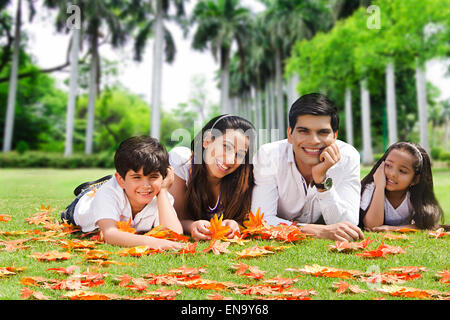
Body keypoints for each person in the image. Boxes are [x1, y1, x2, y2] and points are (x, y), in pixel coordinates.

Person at [251, 93, 364, 241]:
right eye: (304, 131)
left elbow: (347, 225)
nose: (313, 141)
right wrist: (315, 231)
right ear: (290, 134)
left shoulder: (348, 157)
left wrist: (322, 181)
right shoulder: (269, 156)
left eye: (323, 132)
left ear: (335, 136)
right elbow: (261, 220)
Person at [61, 136, 184, 250]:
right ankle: (90, 188)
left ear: (165, 176)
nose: (146, 185)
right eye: (137, 177)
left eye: (153, 177)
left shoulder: (163, 197)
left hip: (120, 186)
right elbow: (110, 234)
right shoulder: (108, 193)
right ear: (121, 180)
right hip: (82, 206)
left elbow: (175, 234)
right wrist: (153, 242)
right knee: (94, 193)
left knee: (116, 186)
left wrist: (162, 190)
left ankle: (112, 181)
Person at [168, 114, 256, 241]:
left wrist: (236, 225)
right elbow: (174, 218)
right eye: (226, 146)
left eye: (240, 154)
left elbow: (247, 219)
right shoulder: (183, 162)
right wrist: (191, 226)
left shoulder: (244, 176)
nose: (231, 160)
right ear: (207, 141)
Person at [360, 141, 443, 231]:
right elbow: (372, 226)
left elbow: (427, 224)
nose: (392, 174)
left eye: (402, 171)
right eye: (388, 165)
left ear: (414, 180)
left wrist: (392, 228)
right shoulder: (370, 188)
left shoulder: (414, 194)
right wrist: (379, 187)